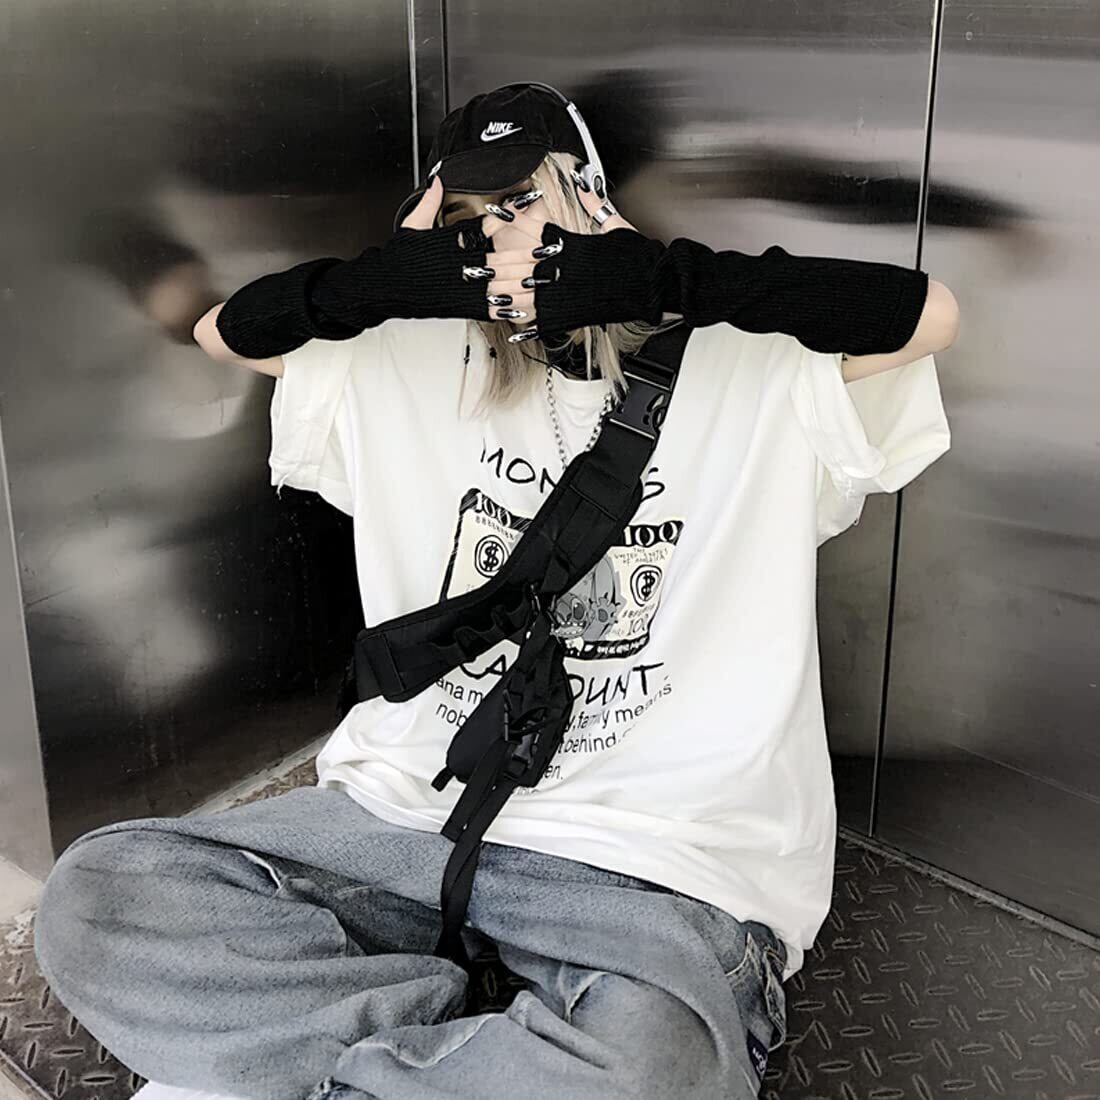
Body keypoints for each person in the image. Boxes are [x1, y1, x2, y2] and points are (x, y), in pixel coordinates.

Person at [33, 83, 958, 1100]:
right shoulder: (397, 356)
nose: (499, 239)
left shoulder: (745, 358)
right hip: (410, 818)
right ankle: (448, 1054)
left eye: (523, 203)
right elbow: (224, 332)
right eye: (469, 217)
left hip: (647, 856)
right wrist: (388, 282)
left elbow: (927, 314)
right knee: (97, 898)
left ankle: (355, 1062)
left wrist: (654, 277)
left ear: (588, 200)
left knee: (656, 1070)